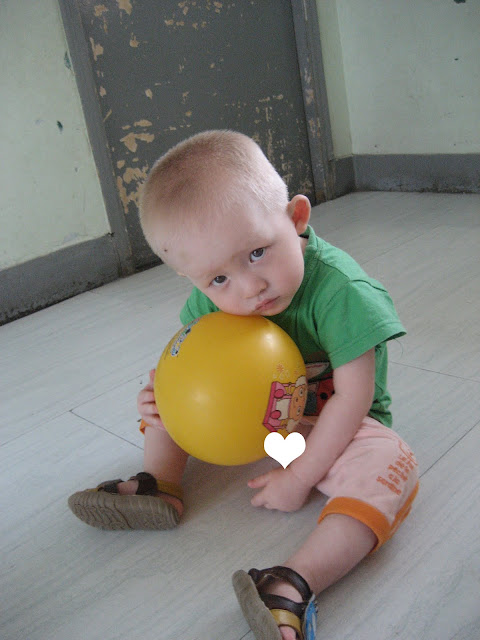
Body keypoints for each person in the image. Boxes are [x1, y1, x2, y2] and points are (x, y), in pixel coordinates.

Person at [69, 130, 419, 640]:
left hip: (333, 422)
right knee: (169, 393)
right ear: (194, 279)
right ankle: (158, 483)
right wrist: (160, 398)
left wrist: (301, 477)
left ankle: (291, 583)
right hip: (257, 417)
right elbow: (190, 365)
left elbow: (354, 397)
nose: (249, 288)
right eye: (217, 279)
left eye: (256, 253)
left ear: (296, 218)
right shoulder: (215, 301)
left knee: (393, 466)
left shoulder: (341, 292)